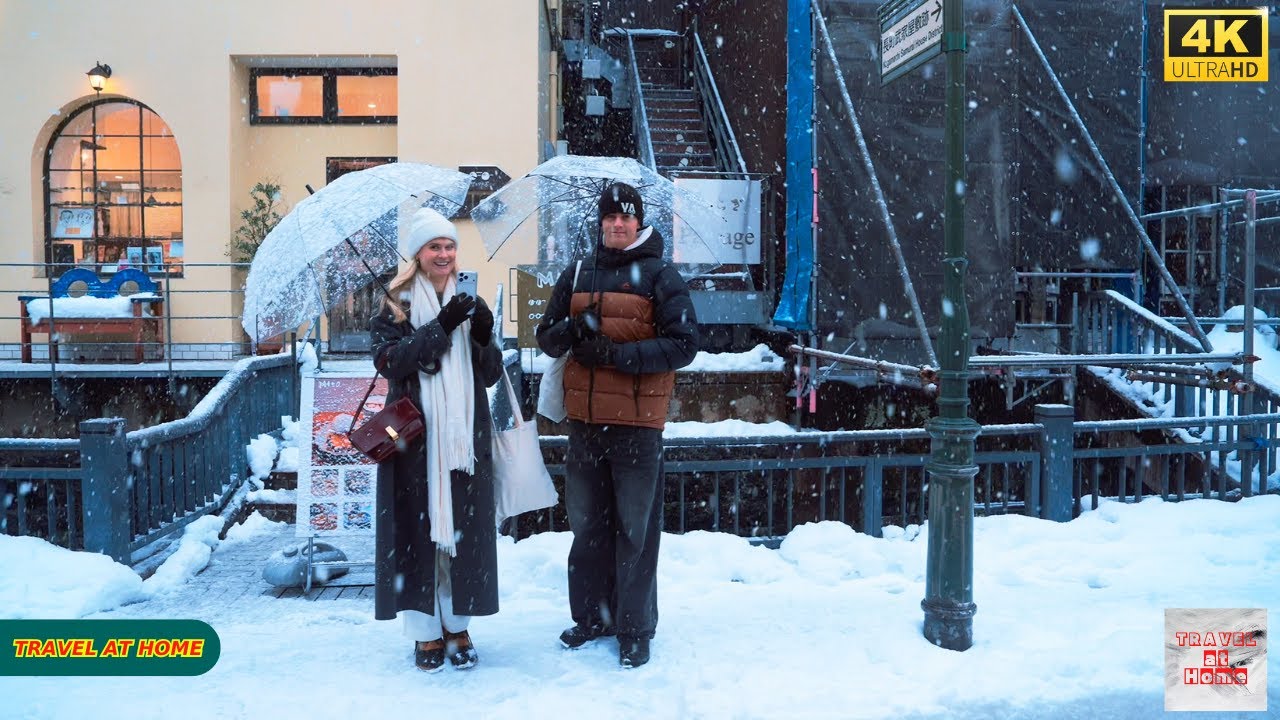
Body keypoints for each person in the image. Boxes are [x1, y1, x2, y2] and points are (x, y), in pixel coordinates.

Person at [535, 182, 699, 668]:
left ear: (639, 221)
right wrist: (573, 329)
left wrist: (616, 355)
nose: (617, 225)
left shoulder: (660, 276)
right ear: (601, 223)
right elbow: (546, 337)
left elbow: (684, 345)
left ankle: (634, 628)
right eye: (610, 219)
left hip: (637, 428)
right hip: (584, 426)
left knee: (635, 530)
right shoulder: (579, 271)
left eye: (625, 218)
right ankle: (592, 617)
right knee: (587, 530)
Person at [370, 206, 504, 673]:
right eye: (434, 246)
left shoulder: (467, 298)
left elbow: (488, 374)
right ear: (418, 254)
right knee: (416, 533)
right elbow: (390, 362)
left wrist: (483, 333)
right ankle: (425, 632)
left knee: (462, 536)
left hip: (463, 442)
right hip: (414, 442)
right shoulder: (395, 304)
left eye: (449, 246)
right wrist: (442, 326)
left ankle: (458, 624)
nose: (444, 254)